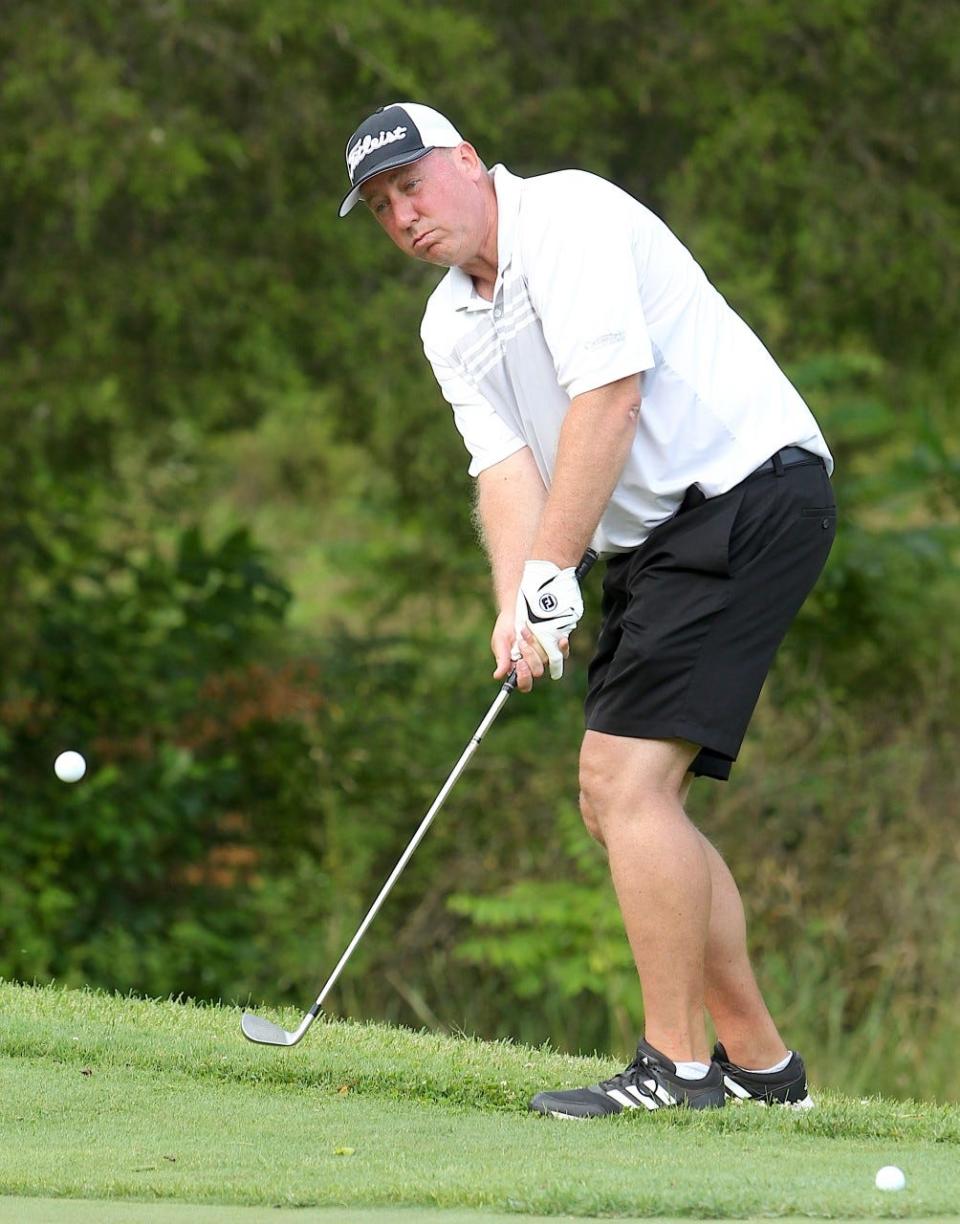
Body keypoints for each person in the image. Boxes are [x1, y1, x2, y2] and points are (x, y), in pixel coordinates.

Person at [338, 102, 835, 1116]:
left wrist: (555, 571)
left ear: (468, 163)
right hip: (658, 537)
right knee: (616, 799)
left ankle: (677, 1070)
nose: (405, 215)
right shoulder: (448, 320)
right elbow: (506, 468)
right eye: (384, 206)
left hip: (746, 491)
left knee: (623, 779)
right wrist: (518, 607)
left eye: (414, 184)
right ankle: (761, 1068)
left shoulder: (570, 218)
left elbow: (611, 400)